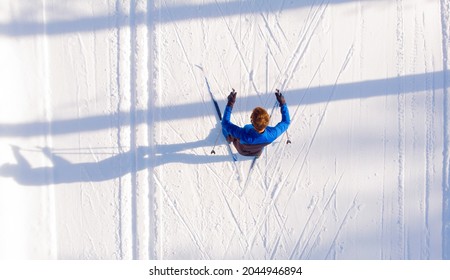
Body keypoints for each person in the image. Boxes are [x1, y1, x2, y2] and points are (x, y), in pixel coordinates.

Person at [221, 89, 290, 158]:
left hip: (242, 150)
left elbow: (225, 123)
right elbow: (286, 122)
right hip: (257, 151)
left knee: (226, 129)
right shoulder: (272, 134)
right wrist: (283, 103)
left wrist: (230, 103)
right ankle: (257, 155)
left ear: (252, 121)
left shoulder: (242, 134)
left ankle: (228, 138)